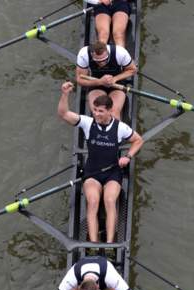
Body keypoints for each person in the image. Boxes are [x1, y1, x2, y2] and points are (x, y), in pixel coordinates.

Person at [58, 81, 144, 243]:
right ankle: (94, 243)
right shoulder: (87, 123)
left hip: (113, 172)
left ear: (110, 111)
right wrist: (65, 94)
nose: (96, 114)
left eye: (100, 111)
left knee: (110, 201)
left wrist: (128, 156)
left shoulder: (120, 128)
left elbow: (138, 140)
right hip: (92, 172)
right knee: (93, 202)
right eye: (95, 110)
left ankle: (111, 243)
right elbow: (64, 114)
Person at [76, 41, 138, 120]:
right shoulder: (84, 54)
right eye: (98, 61)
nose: (102, 63)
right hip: (96, 83)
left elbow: (133, 70)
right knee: (98, 113)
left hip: (117, 83)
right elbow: (80, 80)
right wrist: (100, 82)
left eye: (105, 59)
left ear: (107, 52)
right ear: (92, 55)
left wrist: (115, 79)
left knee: (113, 113)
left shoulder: (120, 52)